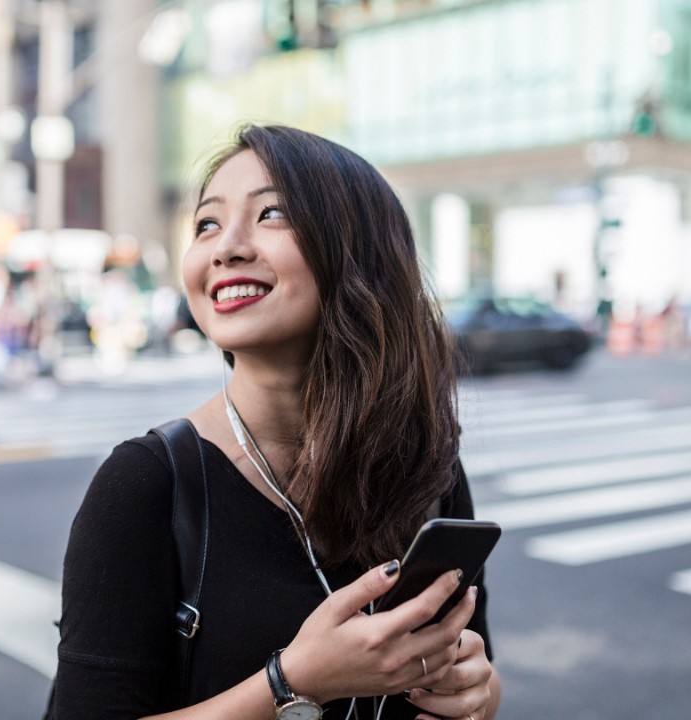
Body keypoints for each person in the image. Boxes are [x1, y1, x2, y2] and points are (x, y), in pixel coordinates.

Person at [47, 125, 501, 720]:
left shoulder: (427, 465)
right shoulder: (148, 485)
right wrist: (292, 682)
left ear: (359, 252)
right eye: (207, 223)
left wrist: (479, 695)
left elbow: (480, 670)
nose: (225, 247)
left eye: (272, 214)